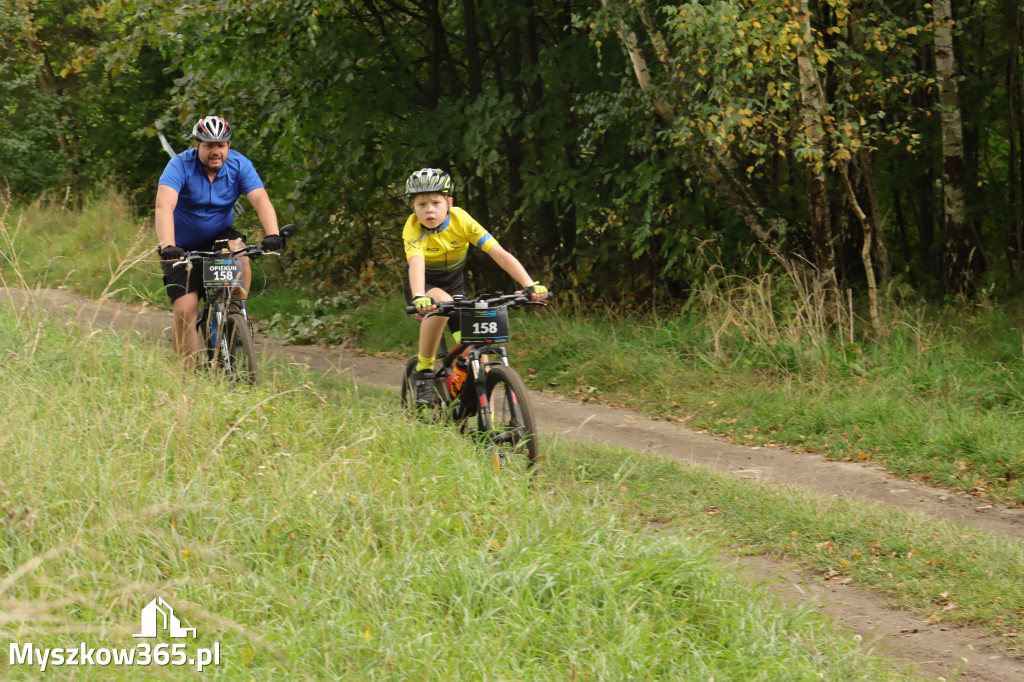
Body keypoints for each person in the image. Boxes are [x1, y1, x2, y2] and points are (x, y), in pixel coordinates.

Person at [402, 167, 548, 405]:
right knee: (443, 302)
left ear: (449, 202)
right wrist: (419, 295)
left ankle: (483, 423)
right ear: (413, 208)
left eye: (436, 202)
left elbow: (498, 253)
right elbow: (416, 263)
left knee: (477, 357)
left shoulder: (462, 220)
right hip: (425, 287)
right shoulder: (413, 228)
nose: (429, 209)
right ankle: (424, 369)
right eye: (421, 204)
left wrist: (529, 284)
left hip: (456, 288)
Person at [154, 115, 284, 368]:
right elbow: (164, 205)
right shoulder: (179, 165)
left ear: (228, 145)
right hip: (182, 246)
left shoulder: (239, 164)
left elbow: (260, 200)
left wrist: (273, 235)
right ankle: (188, 379)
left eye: (221, 145)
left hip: (220, 236)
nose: (216, 151)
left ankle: (235, 316)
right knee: (185, 312)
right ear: (196, 145)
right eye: (209, 145)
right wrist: (167, 244)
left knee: (239, 251)